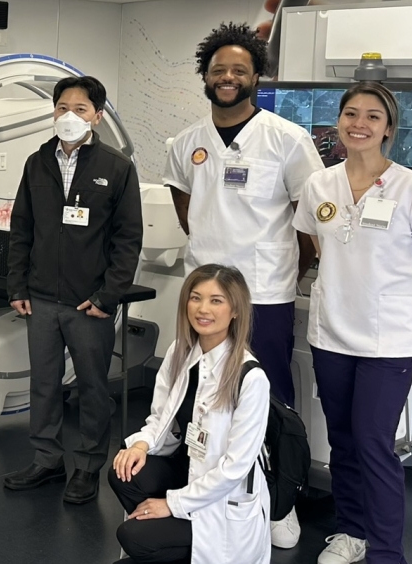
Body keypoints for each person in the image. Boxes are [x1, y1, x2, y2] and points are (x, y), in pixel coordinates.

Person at [161, 22, 322, 547]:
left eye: (238, 69)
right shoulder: (185, 143)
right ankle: (203, 490)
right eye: (218, 70)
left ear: (256, 75)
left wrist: (287, 274)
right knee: (203, 394)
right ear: (205, 77)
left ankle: (279, 503)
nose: (227, 77)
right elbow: (188, 209)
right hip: (205, 296)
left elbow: (307, 223)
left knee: (269, 397)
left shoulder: (287, 140)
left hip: (265, 292)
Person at [293, 82, 412, 564]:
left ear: (388, 128)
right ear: (338, 121)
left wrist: (410, 313)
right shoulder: (320, 184)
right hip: (332, 333)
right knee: (342, 440)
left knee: (373, 443)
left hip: (389, 341)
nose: (358, 123)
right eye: (350, 114)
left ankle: (386, 552)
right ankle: (351, 533)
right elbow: (318, 245)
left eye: (372, 116)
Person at [4, 76, 142, 504]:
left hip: (90, 303)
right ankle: (47, 459)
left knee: (91, 387)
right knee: (44, 383)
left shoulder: (117, 167)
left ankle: (86, 465)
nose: (69, 115)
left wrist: (109, 296)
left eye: (80, 109)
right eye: (62, 107)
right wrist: (17, 284)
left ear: (97, 116)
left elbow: (128, 239)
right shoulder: (37, 162)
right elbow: (21, 228)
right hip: (42, 296)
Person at [109, 264, 272, 564]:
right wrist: (141, 444)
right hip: (186, 471)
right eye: (195, 298)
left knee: (133, 537)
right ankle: (168, 538)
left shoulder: (250, 378)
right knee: (124, 470)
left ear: (235, 310)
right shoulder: (180, 352)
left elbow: (233, 470)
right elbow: (161, 418)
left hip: (222, 499)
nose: (202, 309)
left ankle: (172, 536)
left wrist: (171, 504)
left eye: (216, 300)